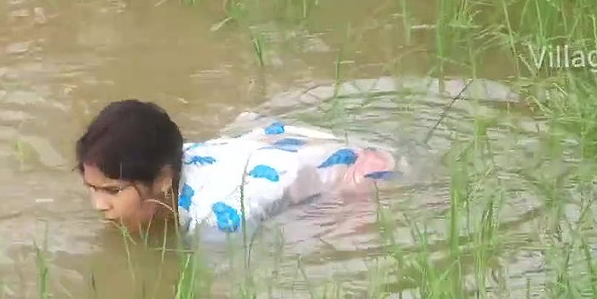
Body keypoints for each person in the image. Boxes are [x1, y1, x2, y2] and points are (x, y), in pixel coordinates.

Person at [74, 99, 399, 237]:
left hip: (354, 171)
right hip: (274, 149)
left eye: (113, 191)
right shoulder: (164, 155)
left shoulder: (216, 220)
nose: (98, 205)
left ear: (163, 180)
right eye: (93, 189)